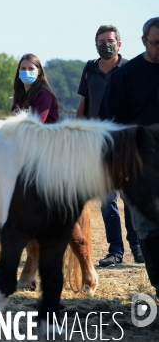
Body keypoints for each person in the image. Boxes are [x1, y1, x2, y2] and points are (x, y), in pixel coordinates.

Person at [99, 17, 159, 294]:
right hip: (141, 167)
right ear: (144, 41)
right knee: (148, 228)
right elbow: (111, 123)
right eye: (157, 43)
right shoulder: (127, 76)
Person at [76, 25, 143, 267]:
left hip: (125, 143)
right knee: (107, 201)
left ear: (120, 44)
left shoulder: (129, 69)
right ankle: (115, 251)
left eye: (110, 40)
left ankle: (137, 247)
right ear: (96, 45)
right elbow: (83, 105)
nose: (106, 44)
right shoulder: (89, 69)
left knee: (130, 199)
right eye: (102, 41)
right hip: (97, 142)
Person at [11, 53, 59, 123]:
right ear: (19, 71)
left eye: (31, 68)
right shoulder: (21, 96)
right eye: (23, 68)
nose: (27, 72)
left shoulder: (44, 95)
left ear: (39, 71)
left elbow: (37, 123)